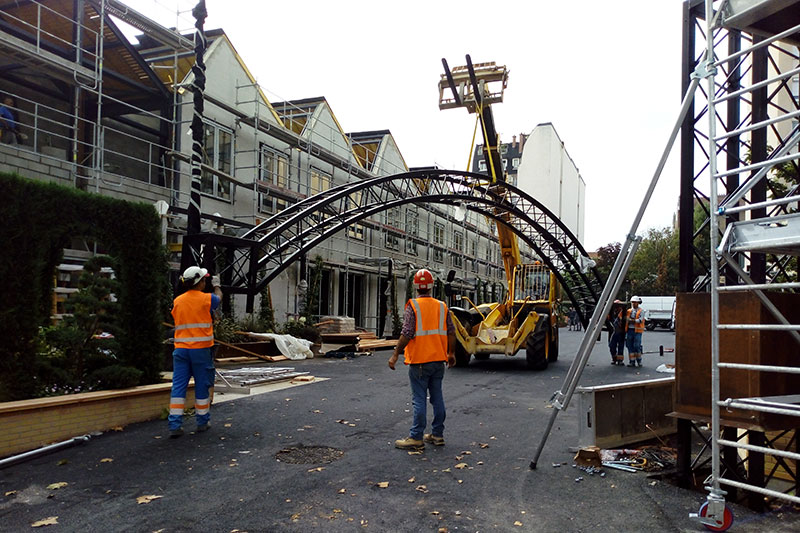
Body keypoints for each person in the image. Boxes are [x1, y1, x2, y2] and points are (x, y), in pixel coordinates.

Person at [388, 268, 456, 450]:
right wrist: (450, 353)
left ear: (416, 286)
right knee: (437, 397)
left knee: (419, 399)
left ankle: (416, 437)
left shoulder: (414, 306)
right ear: (432, 286)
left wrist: (395, 354)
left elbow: (407, 333)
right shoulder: (442, 306)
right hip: (438, 361)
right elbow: (451, 331)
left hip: (419, 362)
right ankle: (437, 434)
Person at [168, 266, 223, 437]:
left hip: (181, 351)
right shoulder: (206, 298)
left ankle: (175, 425)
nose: (205, 282)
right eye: (204, 280)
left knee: (178, 387)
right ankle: (202, 421)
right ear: (199, 282)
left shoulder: (178, 301)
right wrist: (216, 285)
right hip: (200, 351)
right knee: (202, 385)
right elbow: (218, 298)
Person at [625, 295, 645, 367]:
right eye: (632, 302)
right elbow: (626, 320)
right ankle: (632, 361)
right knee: (629, 346)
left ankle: (639, 361)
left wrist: (631, 320)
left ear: (638, 303)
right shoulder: (629, 311)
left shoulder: (641, 311)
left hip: (637, 331)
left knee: (636, 346)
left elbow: (640, 320)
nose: (633, 304)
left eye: (635, 302)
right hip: (630, 330)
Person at [608, 300, 626, 365]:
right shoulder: (611, 313)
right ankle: (614, 358)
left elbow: (624, 321)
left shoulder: (623, 312)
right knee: (611, 346)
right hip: (613, 332)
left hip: (621, 332)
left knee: (621, 346)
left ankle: (620, 360)